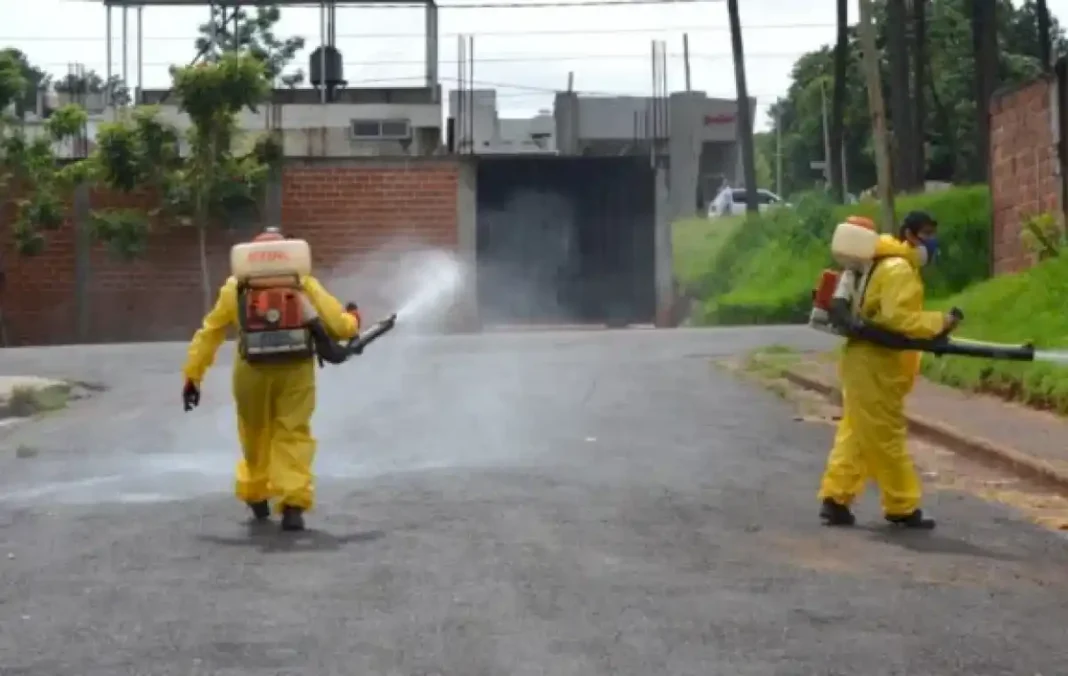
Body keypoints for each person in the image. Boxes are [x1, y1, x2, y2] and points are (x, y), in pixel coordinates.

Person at [181, 226, 361, 532]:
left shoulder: (235, 287)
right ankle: (293, 504)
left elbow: (209, 333)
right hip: (295, 369)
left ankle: (256, 493)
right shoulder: (302, 283)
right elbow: (339, 327)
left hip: (250, 372)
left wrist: (193, 376)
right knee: (292, 432)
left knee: (254, 433)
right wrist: (353, 319)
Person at [817, 211, 959, 530]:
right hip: (877, 363)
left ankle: (836, 499)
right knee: (886, 435)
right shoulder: (898, 268)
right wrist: (941, 322)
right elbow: (900, 320)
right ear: (908, 234)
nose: (931, 242)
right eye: (926, 233)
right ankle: (901, 504)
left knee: (856, 432)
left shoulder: (876, 261)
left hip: (861, 361)